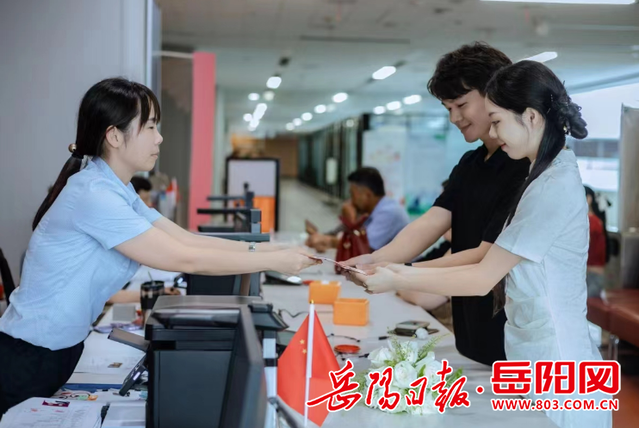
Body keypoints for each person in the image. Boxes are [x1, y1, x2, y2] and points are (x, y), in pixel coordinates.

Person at [0, 78, 318, 414]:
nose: (159, 137)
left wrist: (272, 250)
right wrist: (272, 262)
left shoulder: (117, 189)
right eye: (150, 126)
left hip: (56, 349)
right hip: (28, 355)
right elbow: (185, 258)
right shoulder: (95, 194)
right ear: (114, 136)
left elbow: (185, 239)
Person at [357, 60, 611, 428]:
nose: (492, 132)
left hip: (556, 365)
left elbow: (482, 274)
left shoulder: (552, 186)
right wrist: (391, 268)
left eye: (497, 121)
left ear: (531, 117)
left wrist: (397, 276)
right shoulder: (540, 176)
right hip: (531, 352)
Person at [344, 42, 530, 366]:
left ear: (494, 94)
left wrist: (399, 273)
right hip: (470, 327)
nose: (454, 118)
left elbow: (485, 255)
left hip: (514, 334)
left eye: (461, 104)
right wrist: (376, 259)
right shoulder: (470, 164)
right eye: (448, 108)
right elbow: (431, 222)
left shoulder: (525, 167)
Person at [305, 167, 409, 252]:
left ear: (367, 195)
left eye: (352, 194)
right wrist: (323, 236)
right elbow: (353, 239)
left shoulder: (389, 212)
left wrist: (329, 241)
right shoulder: (371, 211)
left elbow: (364, 247)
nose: (350, 200)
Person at [584, 186, 608, 298]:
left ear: (588, 199)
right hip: (592, 274)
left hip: (591, 275)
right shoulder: (596, 220)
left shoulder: (591, 221)